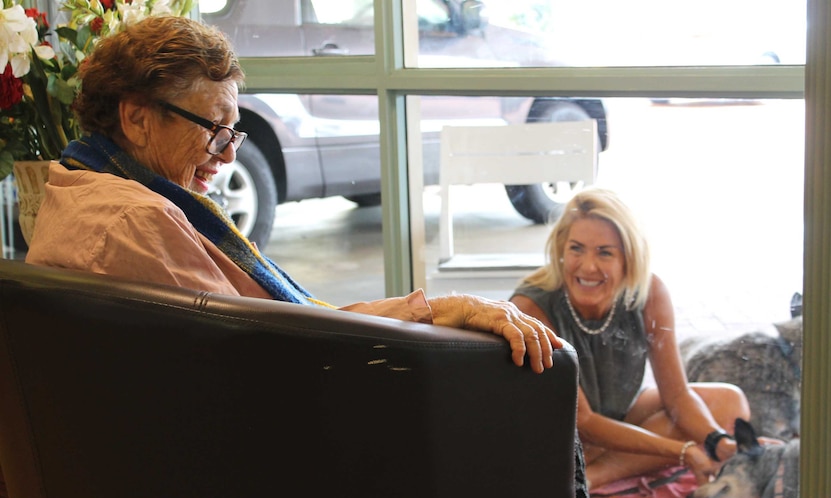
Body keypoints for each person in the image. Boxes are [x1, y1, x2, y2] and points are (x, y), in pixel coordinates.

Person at [23, 15, 561, 375]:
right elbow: (285, 349)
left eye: (234, 132)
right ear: (136, 117)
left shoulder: (72, 185)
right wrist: (438, 313)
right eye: (214, 128)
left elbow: (274, 327)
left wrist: (438, 309)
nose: (229, 154)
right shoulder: (139, 220)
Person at [510, 187, 753, 489]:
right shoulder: (531, 307)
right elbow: (583, 421)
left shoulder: (649, 292)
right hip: (564, 437)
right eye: (576, 248)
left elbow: (676, 395)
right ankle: (590, 477)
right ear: (560, 248)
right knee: (676, 433)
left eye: (605, 252)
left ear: (629, 258)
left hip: (618, 416)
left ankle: (600, 469)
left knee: (729, 402)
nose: (587, 266)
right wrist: (683, 450)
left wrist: (717, 440)